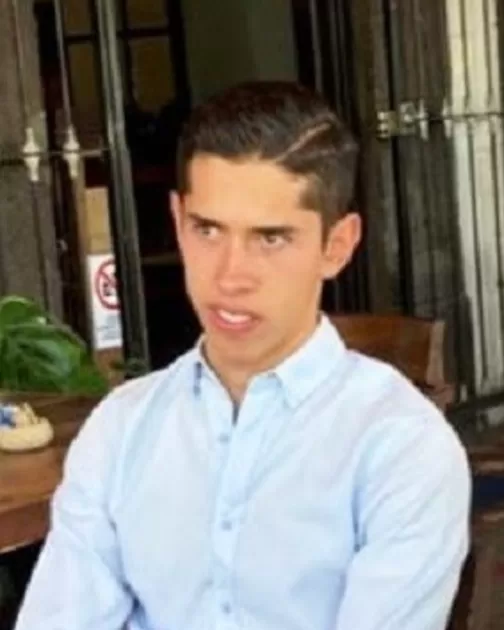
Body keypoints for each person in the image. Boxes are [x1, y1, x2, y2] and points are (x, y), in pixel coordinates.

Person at [15, 82, 472, 630]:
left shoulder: (400, 447)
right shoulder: (121, 429)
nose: (230, 276)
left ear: (338, 246)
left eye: (271, 238)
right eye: (208, 230)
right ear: (179, 221)